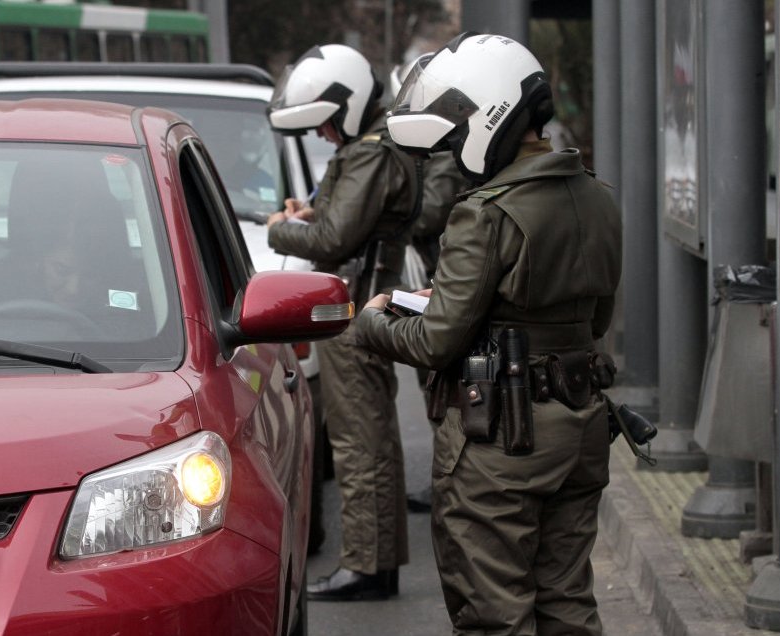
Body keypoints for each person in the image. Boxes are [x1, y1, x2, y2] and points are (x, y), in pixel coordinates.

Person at [357, 33, 622, 635]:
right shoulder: (599, 199)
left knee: (492, 614)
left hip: (502, 443)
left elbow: (435, 343)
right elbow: (593, 322)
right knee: (568, 604)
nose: (453, 153)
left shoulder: (485, 211)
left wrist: (374, 321)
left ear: (486, 114)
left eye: (453, 138)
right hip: (580, 430)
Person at [265, 43, 420, 601]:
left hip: (354, 313)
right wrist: (312, 216)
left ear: (348, 108)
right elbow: (341, 223)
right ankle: (375, 564)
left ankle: (367, 567)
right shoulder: (374, 148)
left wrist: (281, 227)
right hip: (362, 307)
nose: (323, 136)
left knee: (360, 444)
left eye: (327, 124)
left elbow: (335, 238)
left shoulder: (371, 154)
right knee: (369, 440)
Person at [388, 55, 471, 514]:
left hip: (440, 274)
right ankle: (446, 484)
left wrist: (397, 215)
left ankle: (448, 485)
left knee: (440, 387)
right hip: (436, 273)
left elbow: (433, 210)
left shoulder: (442, 156)